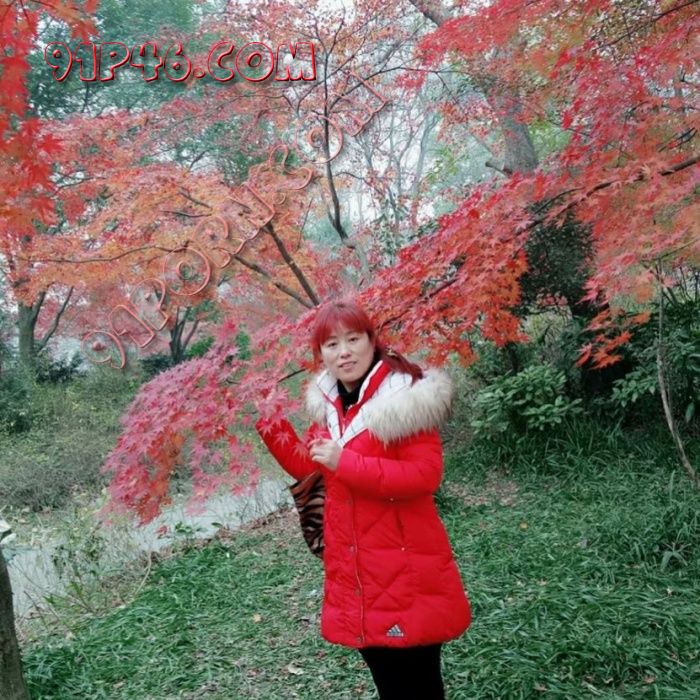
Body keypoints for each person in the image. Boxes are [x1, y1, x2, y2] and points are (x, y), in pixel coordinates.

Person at [255, 299, 472, 699]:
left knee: (418, 683)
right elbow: (309, 466)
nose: (344, 352)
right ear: (321, 354)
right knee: (388, 681)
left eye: (353, 339)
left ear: (372, 341)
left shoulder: (403, 399)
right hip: (356, 570)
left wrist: (346, 461)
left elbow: (425, 476)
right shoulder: (329, 406)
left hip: (405, 568)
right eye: (332, 344)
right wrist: (268, 418)